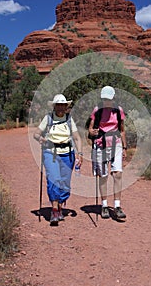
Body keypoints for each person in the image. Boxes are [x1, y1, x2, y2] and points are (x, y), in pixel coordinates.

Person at [33, 94, 83, 226]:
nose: (61, 108)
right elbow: (36, 133)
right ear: (54, 106)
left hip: (68, 154)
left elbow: (77, 137)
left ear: (66, 106)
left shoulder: (69, 119)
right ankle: (54, 210)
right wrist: (40, 139)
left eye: (63, 105)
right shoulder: (48, 118)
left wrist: (80, 153)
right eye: (58, 105)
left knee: (65, 184)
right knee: (54, 180)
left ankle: (60, 207)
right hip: (51, 152)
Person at [88, 86, 127, 219]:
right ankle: (104, 205)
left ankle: (117, 206)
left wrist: (125, 147)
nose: (106, 101)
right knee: (103, 175)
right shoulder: (97, 110)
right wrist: (92, 132)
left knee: (118, 174)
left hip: (116, 144)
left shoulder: (118, 111)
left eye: (108, 99)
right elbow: (90, 128)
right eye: (104, 99)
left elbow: (122, 130)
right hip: (100, 145)